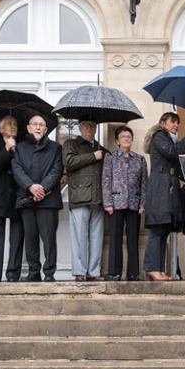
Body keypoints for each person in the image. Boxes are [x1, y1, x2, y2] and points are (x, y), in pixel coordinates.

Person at [143, 112, 185, 281]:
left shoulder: (169, 141)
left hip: (169, 191)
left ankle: (158, 269)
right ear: (162, 123)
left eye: (177, 122)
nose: (176, 125)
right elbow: (174, 152)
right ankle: (152, 268)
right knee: (157, 230)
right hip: (160, 190)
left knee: (163, 230)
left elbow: (179, 169)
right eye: (172, 121)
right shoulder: (159, 137)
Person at [12, 115, 64, 282]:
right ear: (28, 128)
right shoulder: (19, 148)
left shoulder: (56, 147)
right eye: (35, 124)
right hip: (27, 199)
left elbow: (57, 170)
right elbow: (17, 169)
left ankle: (49, 273)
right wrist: (31, 186)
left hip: (48, 201)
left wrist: (42, 188)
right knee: (30, 238)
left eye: (42, 125)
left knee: (48, 238)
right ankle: (33, 272)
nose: (38, 127)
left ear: (46, 130)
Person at [63, 120, 107, 282]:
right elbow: (68, 162)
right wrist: (92, 156)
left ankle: (94, 272)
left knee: (97, 237)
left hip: (98, 198)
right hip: (80, 197)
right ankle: (80, 272)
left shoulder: (101, 148)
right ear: (80, 127)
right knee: (79, 236)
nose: (90, 128)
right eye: (86, 125)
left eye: (93, 126)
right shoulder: (71, 144)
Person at [102, 126, 147, 281]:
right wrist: (107, 202)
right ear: (117, 141)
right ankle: (115, 272)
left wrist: (143, 203)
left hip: (134, 204)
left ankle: (133, 273)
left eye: (129, 136)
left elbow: (144, 183)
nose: (126, 138)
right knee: (115, 238)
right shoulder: (110, 158)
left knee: (133, 239)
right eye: (123, 136)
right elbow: (106, 180)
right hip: (115, 203)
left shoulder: (139, 159)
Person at [0, 116, 25, 282]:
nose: (13, 127)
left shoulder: (23, 146)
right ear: (1, 129)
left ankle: (13, 274)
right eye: (9, 124)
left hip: (18, 195)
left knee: (17, 237)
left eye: (15, 123)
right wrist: (7, 149)